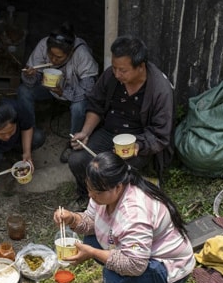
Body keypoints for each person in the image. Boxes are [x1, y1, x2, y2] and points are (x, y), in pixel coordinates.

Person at [53, 152, 194, 283]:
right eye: (89, 189)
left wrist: (93, 254)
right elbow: (91, 222)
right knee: (91, 240)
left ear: (118, 186)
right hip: (141, 252)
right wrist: (72, 219)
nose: (91, 196)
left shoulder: (134, 213)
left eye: (97, 192)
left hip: (168, 268)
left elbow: (134, 265)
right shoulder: (104, 189)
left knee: (114, 274)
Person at [67, 35, 175, 211]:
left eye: (123, 71)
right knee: (78, 160)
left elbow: (160, 134)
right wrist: (85, 132)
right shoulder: (111, 76)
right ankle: (86, 196)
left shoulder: (159, 89)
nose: (117, 74)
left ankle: (115, 204)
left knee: (113, 171)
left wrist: (138, 146)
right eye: (115, 68)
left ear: (141, 67)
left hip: (137, 141)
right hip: (109, 133)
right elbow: (96, 104)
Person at [17, 22, 99, 163]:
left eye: (59, 57)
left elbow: (88, 91)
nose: (53, 60)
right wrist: (31, 75)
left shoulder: (81, 55)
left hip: (75, 92)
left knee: (78, 107)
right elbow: (32, 82)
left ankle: (73, 143)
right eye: (51, 55)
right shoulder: (43, 45)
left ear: (70, 52)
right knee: (23, 91)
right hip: (50, 88)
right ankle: (30, 134)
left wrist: (63, 92)